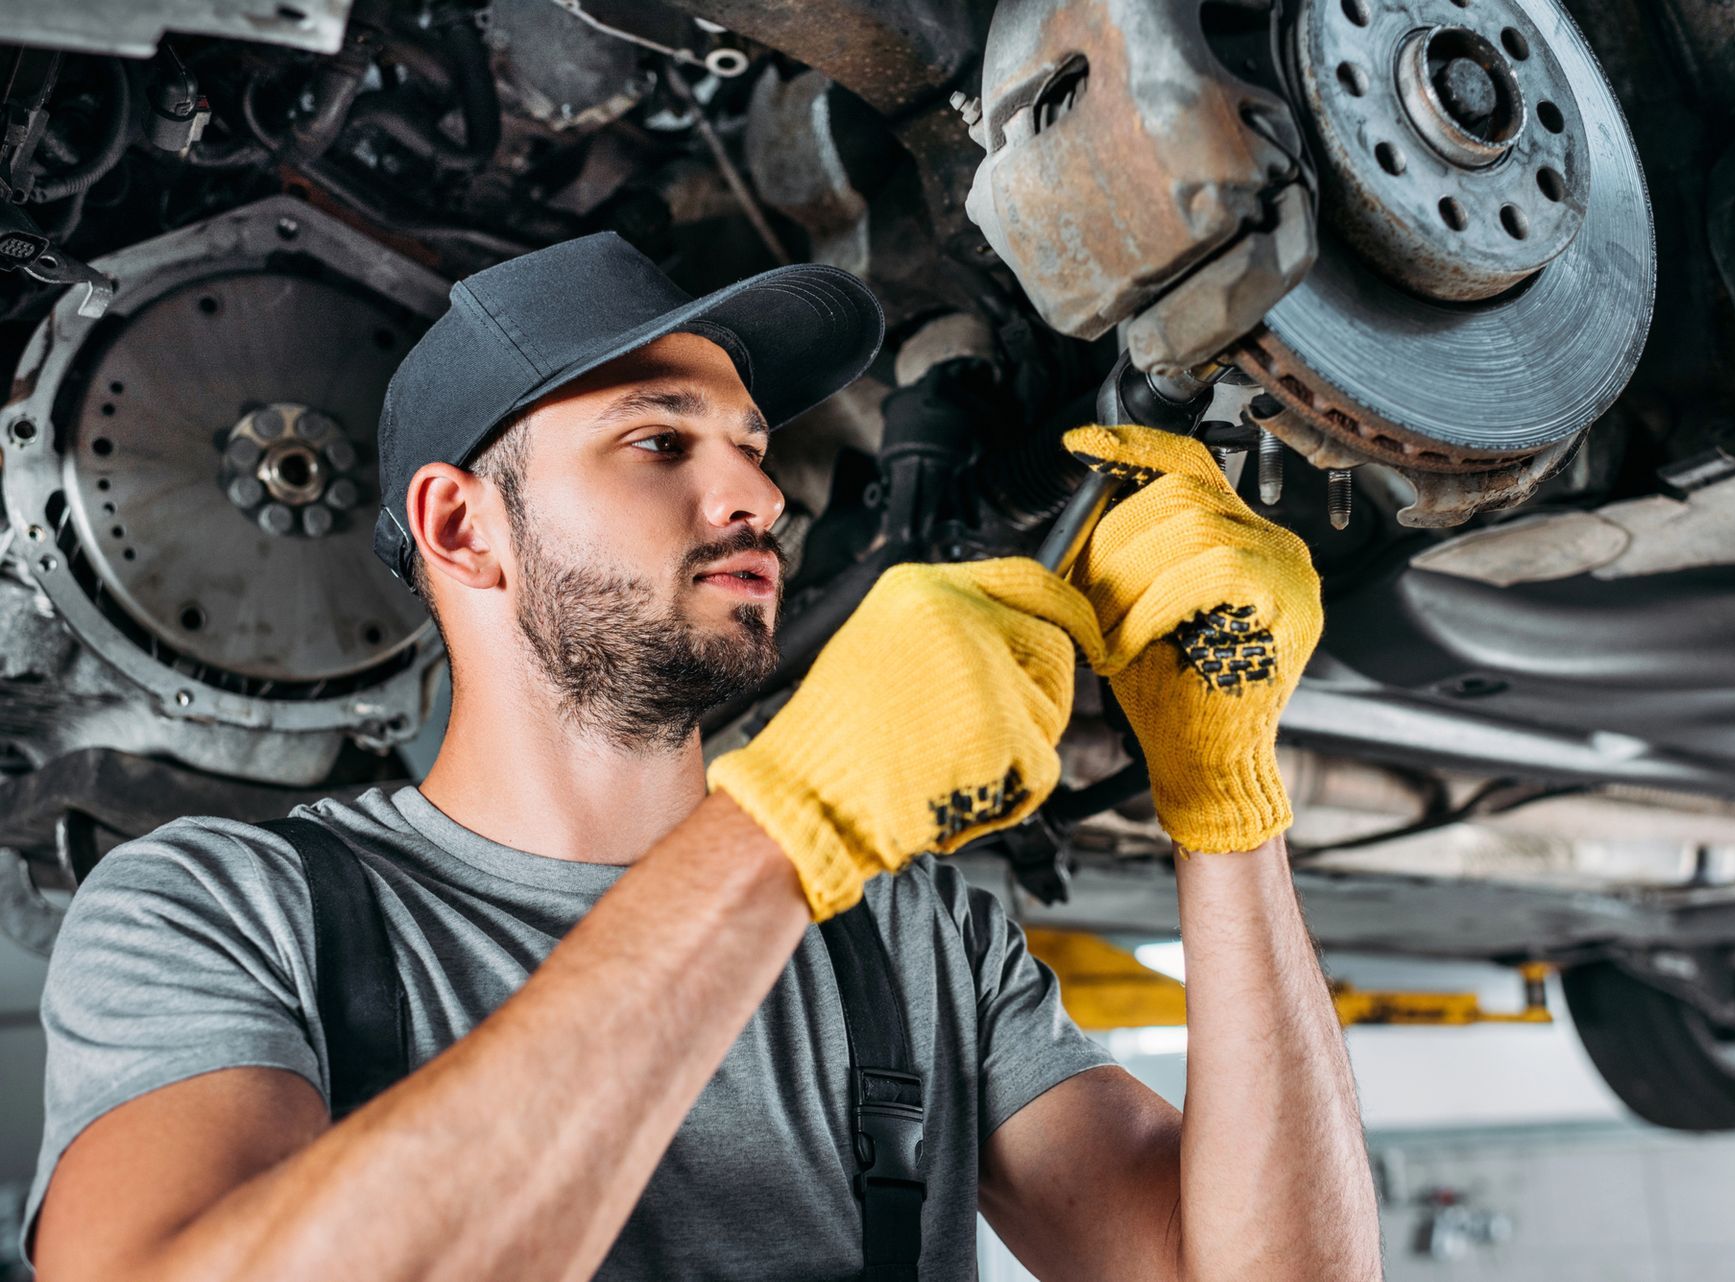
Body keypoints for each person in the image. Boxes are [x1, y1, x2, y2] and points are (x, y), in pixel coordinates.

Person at [26, 233, 1381, 1281]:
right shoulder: (219, 911)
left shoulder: (914, 939)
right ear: (461, 526)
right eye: (658, 441)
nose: (759, 497)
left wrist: (1223, 794)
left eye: (752, 449)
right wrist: (790, 831)